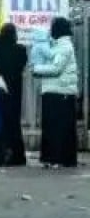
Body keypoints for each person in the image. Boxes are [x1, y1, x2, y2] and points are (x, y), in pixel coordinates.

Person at [32, 17, 79, 169]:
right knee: (55, 128)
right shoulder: (58, 45)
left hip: (60, 92)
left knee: (57, 128)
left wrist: (36, 69)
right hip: (56, 91)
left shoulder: (64, 46)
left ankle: (59, 158)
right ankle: (57, 158)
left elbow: (56, 68)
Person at [0, 23, 28, 166]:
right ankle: (18, 156)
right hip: (15, 91)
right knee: (14, 124)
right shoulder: (21, 50)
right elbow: (22, 65)